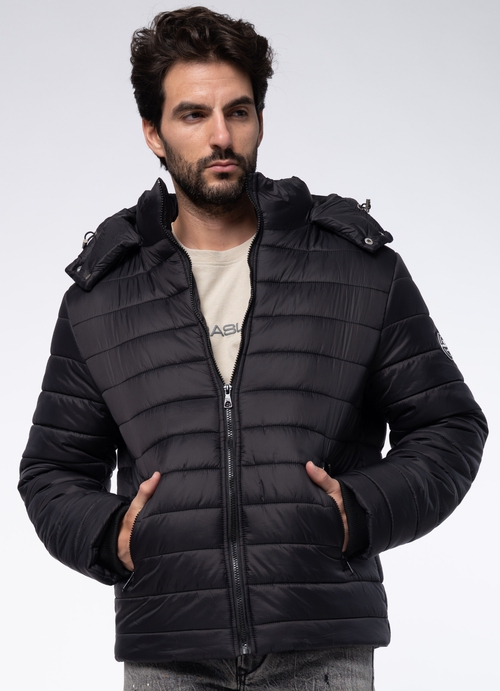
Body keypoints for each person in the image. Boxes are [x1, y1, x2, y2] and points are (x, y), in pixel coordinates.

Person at [18, 6, 487, 691]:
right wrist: (115, 533)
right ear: (152, 132)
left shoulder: (355, 269)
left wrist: (357, 511)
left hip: (321, 645)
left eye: (237, 111)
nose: (220, 136)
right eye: (193, 115)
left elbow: (450, 426)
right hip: (170, 649)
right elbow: (50, 471)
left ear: (259, 119)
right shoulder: (103, 297)